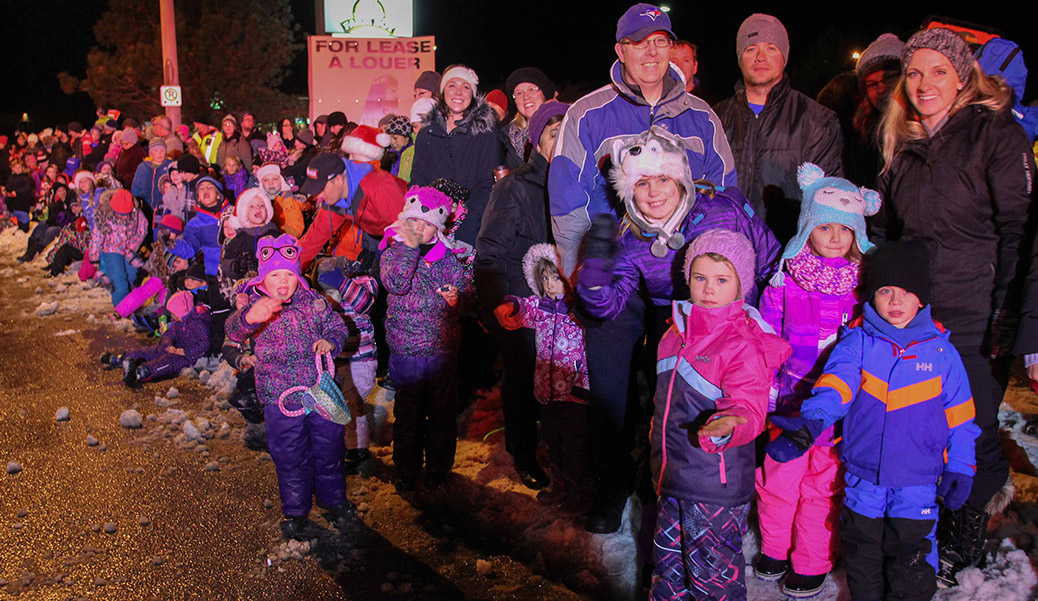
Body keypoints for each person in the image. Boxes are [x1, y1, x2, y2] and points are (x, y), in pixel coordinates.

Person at [873, 27, 1037, 583]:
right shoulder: (903, 144)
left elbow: (1021, 231)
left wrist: (1013, 320)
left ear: (963, 78)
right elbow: (890, 234)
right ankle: (926, 521)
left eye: (938, 71)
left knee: (970, 426)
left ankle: (965, 536)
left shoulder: (995, 134)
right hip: (917, 316)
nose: (924, 83)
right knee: (921, 424)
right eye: (914, 73)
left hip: (976, 314)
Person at [576, 126, 777, 533]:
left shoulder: (723, 209)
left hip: (736, 327)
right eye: (642, 182)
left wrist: (764, 323)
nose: (653, 192)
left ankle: (742, 498)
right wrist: (594, 269)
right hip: (679, 329)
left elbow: (768, 256)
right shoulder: (631, 237)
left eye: (663, 179)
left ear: (680, 179)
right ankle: (668, 486)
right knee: (674, 409)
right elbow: (610, 304)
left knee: (740, 403)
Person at [765, 240, 980, 601]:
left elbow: (960, 415)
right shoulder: (857, 343)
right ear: (871, 296)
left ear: (922, 298)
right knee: (863, 555)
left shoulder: (942, 352)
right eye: (885, 291)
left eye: (906, 292)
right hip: (862, 477)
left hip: (917, 481)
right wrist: (812, 422)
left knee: (910, 556)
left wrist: (961, 464)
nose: (896, 302)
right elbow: (835, 387)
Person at [753, 163, 880, 597]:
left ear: (857, 236)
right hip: (789, 403)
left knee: (821, 489)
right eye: (824, 227)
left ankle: (811, 561)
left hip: (835, 416)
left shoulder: (862, 289)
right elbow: (768, 333)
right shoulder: (786, 279)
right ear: (807, 227)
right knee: (778, 480)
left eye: (844, 230)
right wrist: (766, 383)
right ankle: (773, 548)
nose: (834, 237)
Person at [650, 229, 790, 601]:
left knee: (712, 575)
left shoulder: (741, 343)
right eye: (700, 278)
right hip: (671, 477)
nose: (708, 288)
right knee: (668, 570)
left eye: (722, 279)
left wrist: (731, 422)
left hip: (715, 487)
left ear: (741, 285)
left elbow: (749, 405)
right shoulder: (673, 333)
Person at [549, 2, 736, 277]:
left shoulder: (702, 116)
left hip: (688, 277)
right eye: (639, 42)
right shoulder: (585, 115)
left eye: (660, 41)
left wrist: (716, 274)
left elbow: (724, 197)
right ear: (620, 51)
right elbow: (568, 205)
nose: (651, 51)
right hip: (616, 280)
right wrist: (581, 274)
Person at [225, 233, 351, 538]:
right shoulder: (256, 306)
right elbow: (232, 331)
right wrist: (250, 318)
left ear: (298, 275)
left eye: (289, 274)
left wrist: (331, 340)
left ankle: (332, 500)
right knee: (289, 454)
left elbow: (337, 324)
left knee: (329, 446)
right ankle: (296, 510)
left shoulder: (314, 302)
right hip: (279, 396)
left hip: (318, 389)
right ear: (263, 279)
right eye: (275, 275)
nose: (283, 282)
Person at [475, 101, 568, 490]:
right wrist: (498, 300)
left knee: (565, 382)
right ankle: (524, 453)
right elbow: (491, 250)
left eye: (568, 131)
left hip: (567, 305)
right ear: (535, 141)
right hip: (523, 303)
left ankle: (561, 450)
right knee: (523, 380)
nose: (561, 138)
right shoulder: (515, 186)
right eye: (552, 130)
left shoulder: (584, 187)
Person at [713, 13, 844, 243]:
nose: (760, 57)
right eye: (751, 48)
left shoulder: (816, 119)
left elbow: (828, 201)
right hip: (725, 254)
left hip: (787, 256)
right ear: (740, 57)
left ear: (784, 57)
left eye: (771, 48)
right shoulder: (714, 118)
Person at [379, 187, 471, 492]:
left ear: (438, 227)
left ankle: (438, 469)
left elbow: (470, 298)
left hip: (442, 351)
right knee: (408, 414)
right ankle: (406, 469)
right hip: (407, 352)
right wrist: (409, 247)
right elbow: (396, 283)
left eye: (427, 223)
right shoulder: (394, 253)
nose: (419, 228)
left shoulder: (450, 259)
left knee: (442, 415)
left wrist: (459, 300)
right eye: (414, 221)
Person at [494, 244, 591, 511]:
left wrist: (574, 301)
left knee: (576, 445)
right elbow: (524, 305)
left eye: (556, 277)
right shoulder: (542, 307)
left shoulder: (578, 312)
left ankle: (581, 490)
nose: (549, 285)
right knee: (554, 440)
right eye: (545, 278)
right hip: (546, 393)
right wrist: (510, 305)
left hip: (574, 393)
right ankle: (562, 482)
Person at [410, 64, 504, 246]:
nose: (458, 92)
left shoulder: (485, 132)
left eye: (465, 87)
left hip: (471, 224)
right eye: (452, 85)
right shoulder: (427, 131)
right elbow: (418, 178)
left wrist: (468, 230)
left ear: (473, 94)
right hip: (430, 222)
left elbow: (486, 185)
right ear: (443, 91)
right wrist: (420, 218)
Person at [315, 258, 380, 474]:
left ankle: (358, 450)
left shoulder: (363, 285)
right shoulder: (322, 296)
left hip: (361, 358)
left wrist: (342, 283)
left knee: (354, 405)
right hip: (335, 360)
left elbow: (365, 303)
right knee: (338, 406)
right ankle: (344, 445)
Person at [100, 291, 210, 388]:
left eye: (174, 313)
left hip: (188, 356)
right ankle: (125, 358)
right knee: (150, 351)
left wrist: (185, 352)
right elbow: (169, 333)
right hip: (175, 348)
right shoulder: (178, 321)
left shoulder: (197, 323)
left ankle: (142, 372)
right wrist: (168, 344)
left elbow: (204, 343)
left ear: (183, 311)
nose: (172, 316)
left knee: (167, 362)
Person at [295, 152, 372, 269]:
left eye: (322, 188)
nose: (319, 196)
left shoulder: (375, 189)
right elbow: (315, 237)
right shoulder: (334, 198)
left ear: (338, 180)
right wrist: (290, 268)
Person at [90, 189, 148, 306]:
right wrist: (94, 256)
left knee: (132, 276)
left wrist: (133, 246)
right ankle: (121, 308)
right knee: (119, 281)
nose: (122, 218)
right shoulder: (104, 215)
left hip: (129, 251)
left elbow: (142, 229)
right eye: (119, 215)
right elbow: (97, 236)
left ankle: (131, 304)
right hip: (111, 250)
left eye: (125, 215)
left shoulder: (136, 213)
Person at [502, 67, 557, 169]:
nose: (525, 97)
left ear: (544, 95)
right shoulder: (504, 138)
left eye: (532, 90)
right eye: (519, 93)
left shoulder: (561, 129)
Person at [221, 188, 279, 282]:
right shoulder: (239, 239)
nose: (257, 208)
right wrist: (237, 266)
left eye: (262, 205)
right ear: (244, 213)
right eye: (251, 206)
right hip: (246, 286)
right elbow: (226, 263)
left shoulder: (275, 235)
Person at [183, 175, 230, 276]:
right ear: (198, 198)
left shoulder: (234, 214)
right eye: (201, 188)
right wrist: (172, 244)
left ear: (218, 195)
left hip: (236, 271)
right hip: (213, 273)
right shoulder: (194, 224)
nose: (206, 190)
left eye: (210, 187)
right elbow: (189, 250)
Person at [257, 163, 304, 239]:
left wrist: (276, 233)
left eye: (275, 179)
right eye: (266, 180)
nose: (271, 183)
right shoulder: (259, 201)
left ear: (281, 180)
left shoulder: (288, 200)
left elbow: (296, 230)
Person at [131, 138, 173, 224]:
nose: (159, 154)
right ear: (150, 153)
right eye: (156, 151)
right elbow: (136, 187)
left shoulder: (171, 166)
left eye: (162, 150)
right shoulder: (143, 167)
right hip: (145, 209)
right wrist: (136, 203)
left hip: (165, 208)